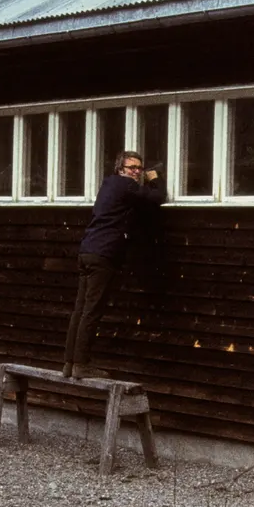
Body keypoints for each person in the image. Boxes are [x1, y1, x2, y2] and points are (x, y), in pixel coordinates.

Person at [62, 151, 165, 379]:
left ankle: (70, 363)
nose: (136, 171)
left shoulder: (109, 185)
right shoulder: (126, 185)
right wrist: (154, 179)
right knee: (91, 311)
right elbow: (156, 198)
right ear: (120, 169)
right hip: (103, 254)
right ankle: (81, 364)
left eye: (139, 167)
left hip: (88, 250)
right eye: (132, 167)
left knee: (80, 310)